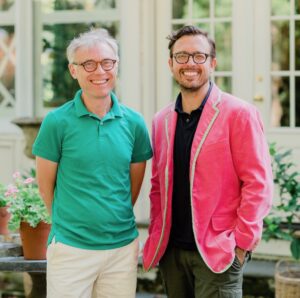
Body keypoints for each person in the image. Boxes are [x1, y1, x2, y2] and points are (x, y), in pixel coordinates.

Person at [142, 25, 273, 298]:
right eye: (182, 56)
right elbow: (158, 186)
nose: (190, 63)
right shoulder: (161, 120)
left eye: (199, 56)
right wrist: (156, 233)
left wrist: (242, 244)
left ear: (212, 63)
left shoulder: (240, 114)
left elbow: (257, 183)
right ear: (170, 64)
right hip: (171, 253)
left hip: (218, 253)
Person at [32, 28, 152, 298]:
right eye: (88, 63)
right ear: (74, 71)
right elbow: (45, 188)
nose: (100, 71)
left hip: (121, 250)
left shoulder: (134, 123)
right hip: (72, 249)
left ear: (116, 66)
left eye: (107, 62)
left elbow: (132, 187)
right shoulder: (57, 122)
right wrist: (72, 222)